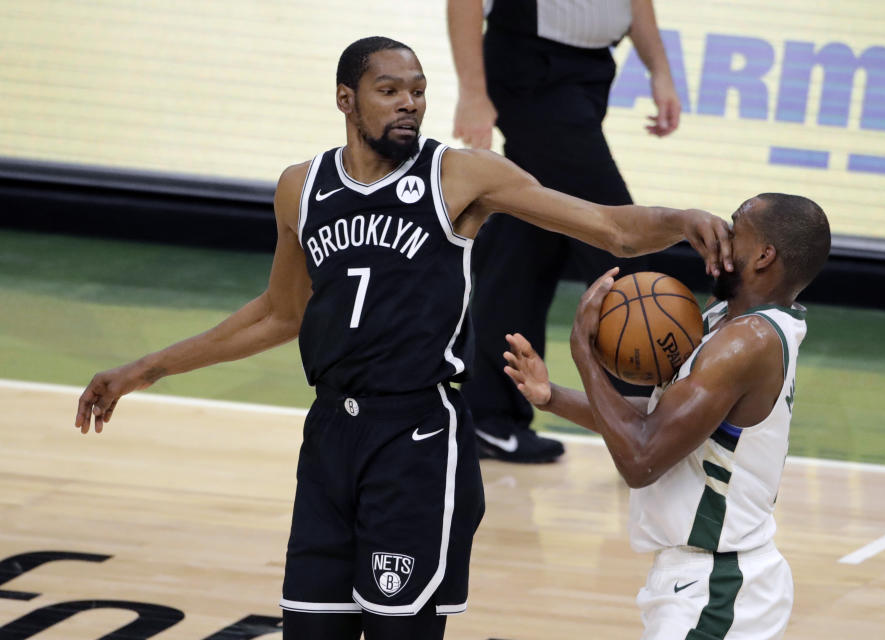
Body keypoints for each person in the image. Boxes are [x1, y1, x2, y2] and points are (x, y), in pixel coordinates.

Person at [73, 37, 731, 640]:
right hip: (330, 436)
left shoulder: (461, 175)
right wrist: (146, 369)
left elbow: (607, 227)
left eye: (417, 90)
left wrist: (680, 219)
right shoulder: (301, 188)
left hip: (416, 440)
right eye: (389, 90)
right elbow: (280, 312)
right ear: (346, 100)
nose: (409, 103)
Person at [503, 194, 831, 639]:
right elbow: (651, 425)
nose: (722, 238)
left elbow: (641, 460)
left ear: (764, 255)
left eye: (735, 229)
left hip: (718, 588)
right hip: (710, 581)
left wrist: (583, 351)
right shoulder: (725, 321)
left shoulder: (746, 342)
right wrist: (551, 397)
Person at [448, 0, 683, 462]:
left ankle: (489, 418)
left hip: (591, 72)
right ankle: (641, 426)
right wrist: (473, 92)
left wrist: (660, 70)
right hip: (531, 69)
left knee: (526, 246)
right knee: (618, 240)